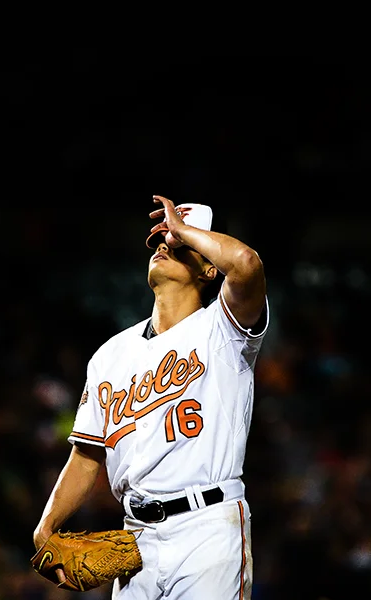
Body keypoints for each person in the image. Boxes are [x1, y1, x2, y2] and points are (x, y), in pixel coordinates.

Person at [33, 195, 269, 599]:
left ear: (209, 267)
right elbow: (88, 455)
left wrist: (184, 230)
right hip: (135, 538)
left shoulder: (223, 330)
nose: (164, 245)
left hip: (207, 527)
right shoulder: (111, 354)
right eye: (161, 239)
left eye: (178, 245)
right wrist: (46, 525)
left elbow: (247, 264)